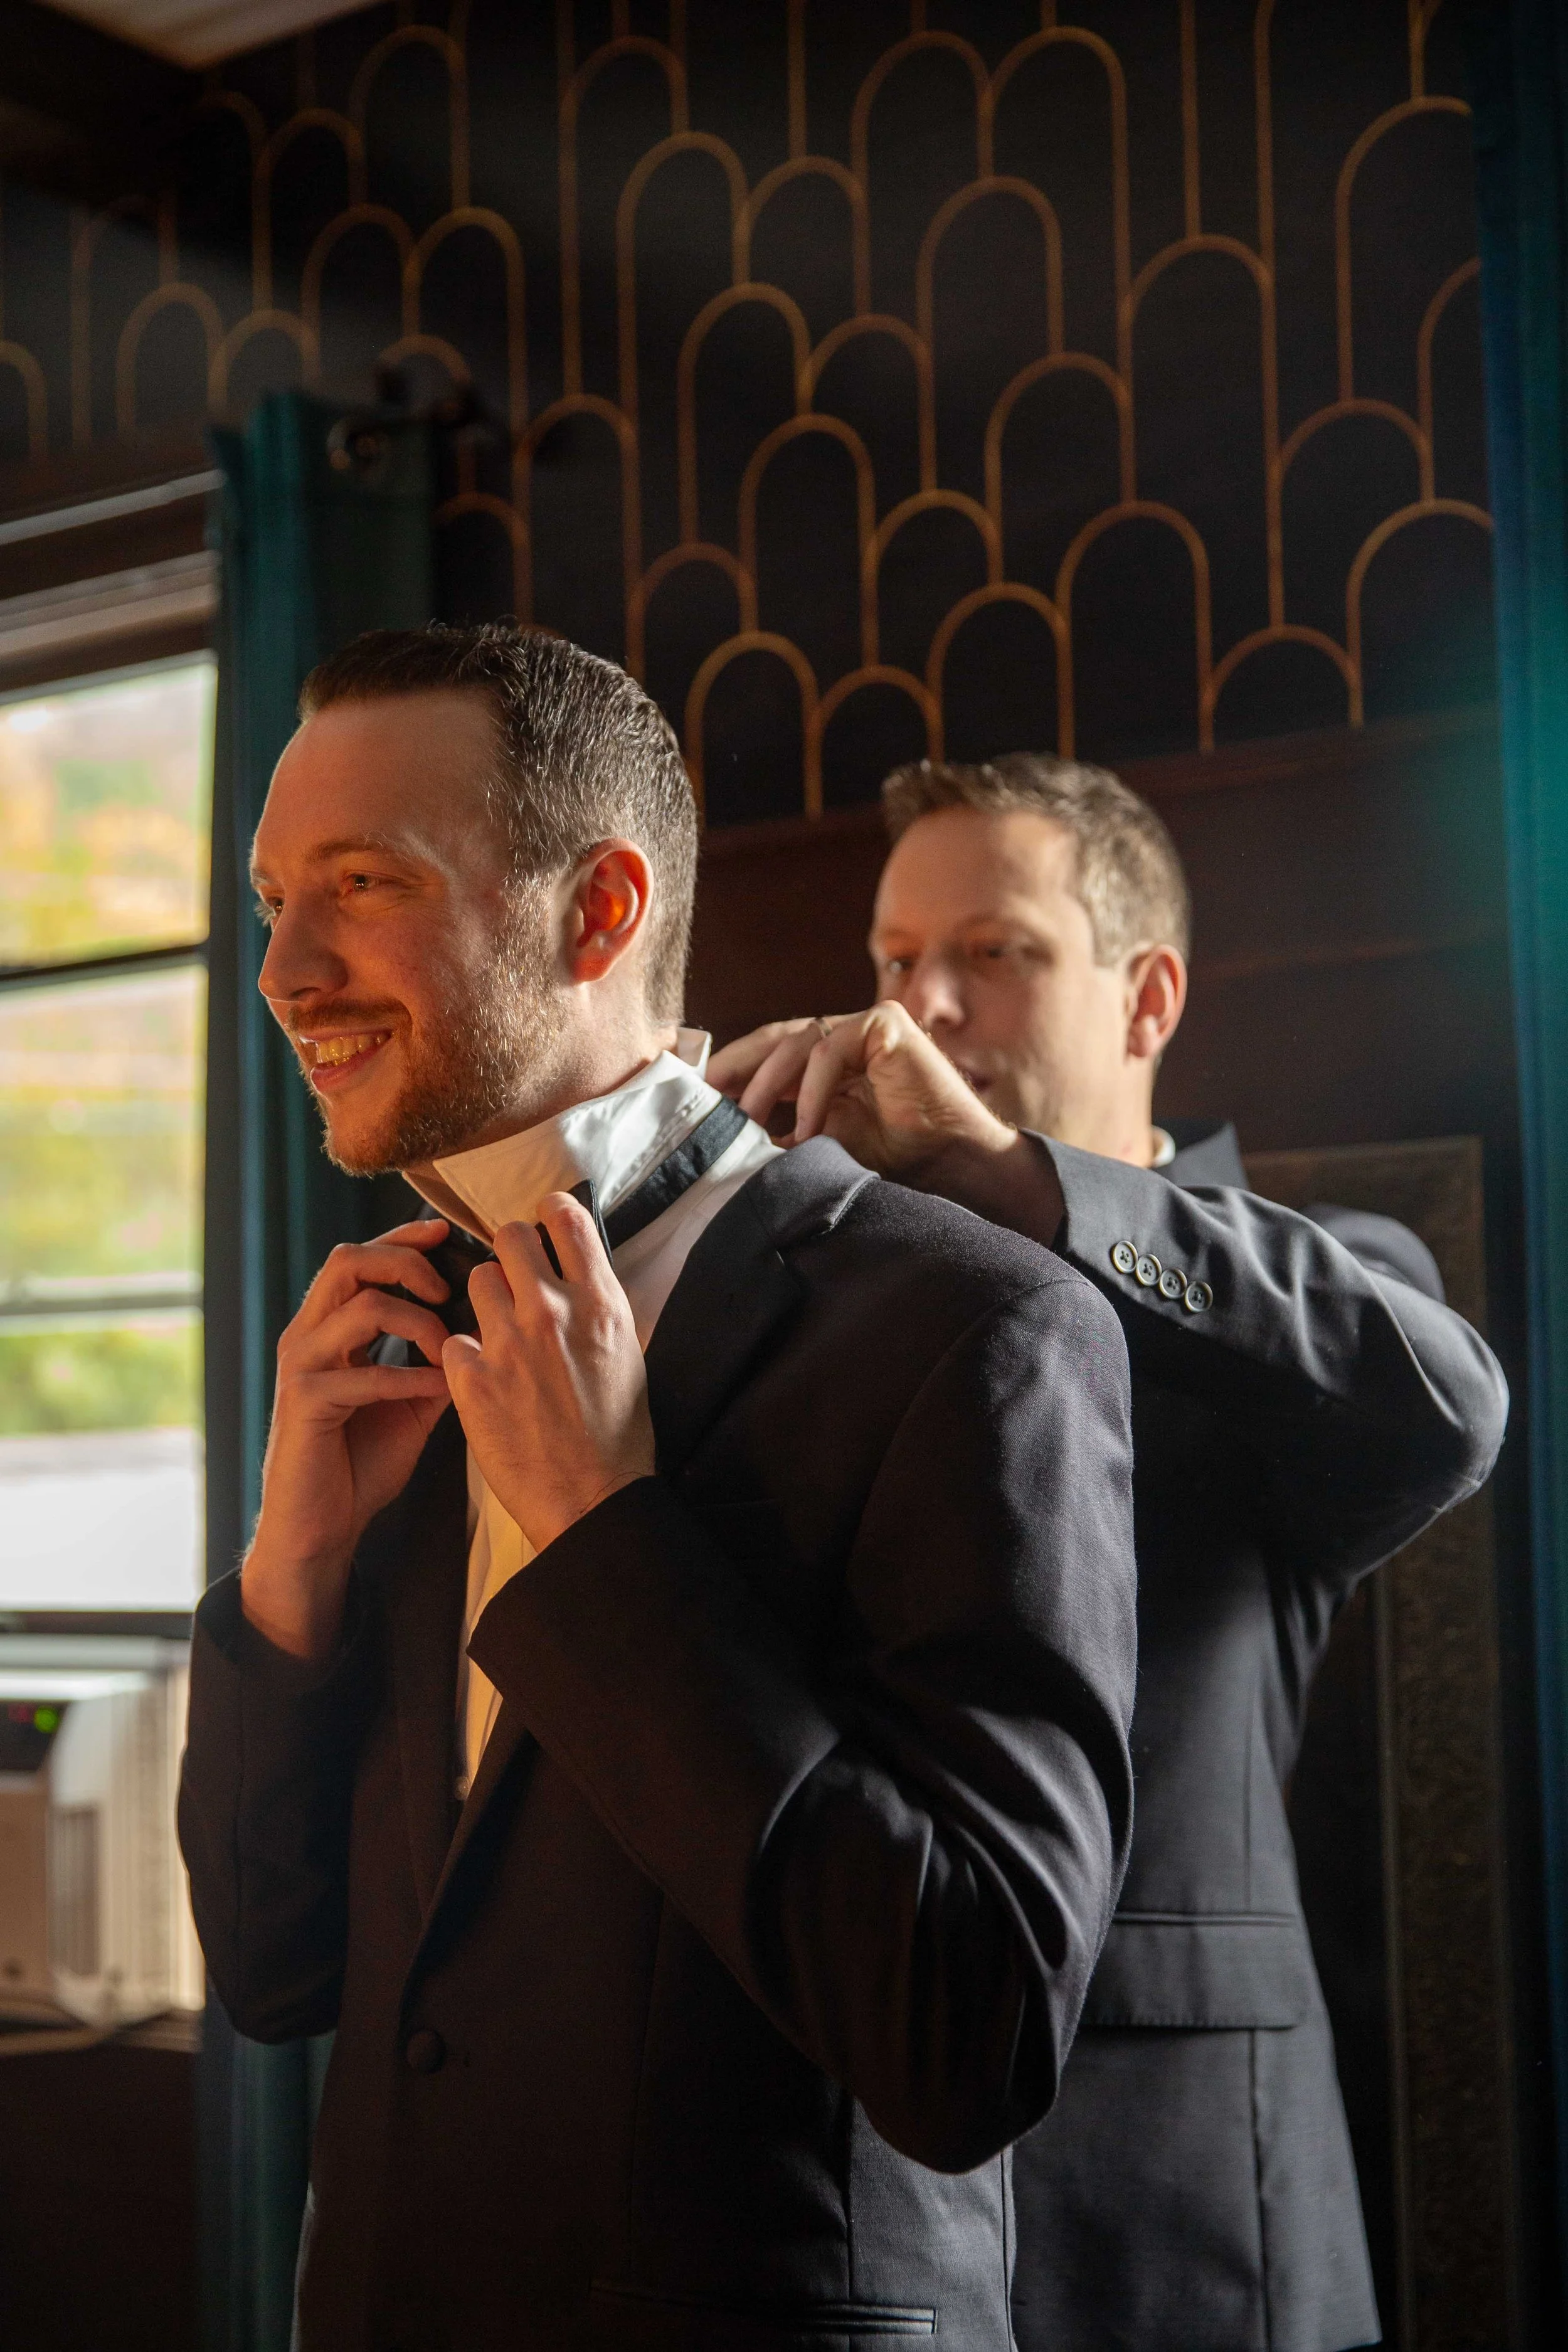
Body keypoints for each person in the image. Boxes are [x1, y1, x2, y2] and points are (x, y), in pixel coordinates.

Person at [177, 632, 1141, 2352]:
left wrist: (608, 1539)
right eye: (268, 898)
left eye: (360, 882)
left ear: (598, 911)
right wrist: (289, 1571)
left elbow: (968, 2031)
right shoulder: (399, 1335)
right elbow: (276, 1970)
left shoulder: (975, 1329)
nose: (285, 968)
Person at [712, 751, 1510, 2352]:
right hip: (853, 2197)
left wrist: (1008, 1184)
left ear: (1145, 1000)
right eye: (892, 960)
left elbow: (1445, 1401)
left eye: (995, 952)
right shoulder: (836, 1297)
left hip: (1191, 2207)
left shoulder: (1327, 1280)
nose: (925, 1002)